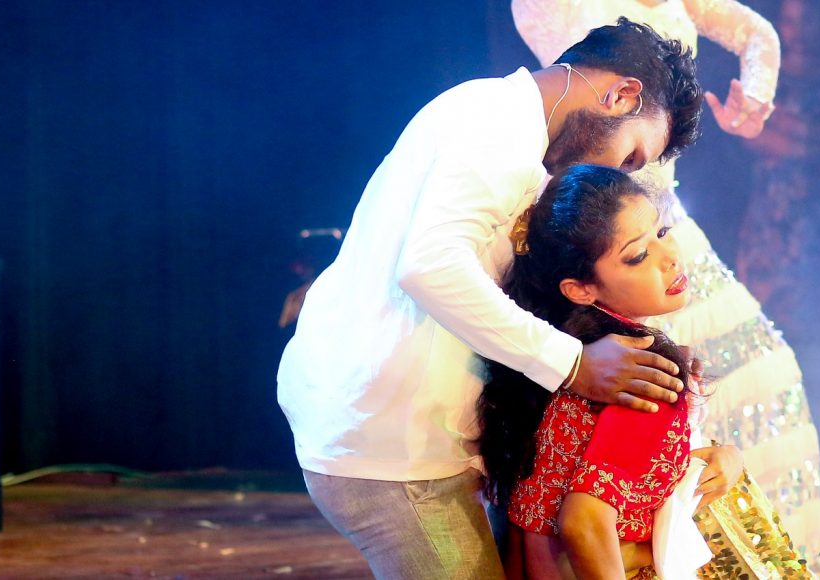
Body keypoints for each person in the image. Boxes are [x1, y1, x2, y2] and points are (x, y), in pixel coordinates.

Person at [277, 20, 705, 578]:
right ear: (620, 95)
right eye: (630, 156)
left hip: (409, 436)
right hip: (392, 448)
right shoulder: (496, 127)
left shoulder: (510, 129)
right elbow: (432, 266)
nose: (614, 176)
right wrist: (573, 364)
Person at [512, 3, 820, 573]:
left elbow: (756, 33)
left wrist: (756, 94)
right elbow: (579, 519)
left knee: (764, 379)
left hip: (658, 218)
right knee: (638, 418)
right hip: (604, 233)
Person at [480, 164, 808, 579]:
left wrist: (716, 459)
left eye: (663, 232)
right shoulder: (642, 375)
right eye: (638, 256)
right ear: (580, 288)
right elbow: (583, 521)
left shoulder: (564, 359)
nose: (670, 258)